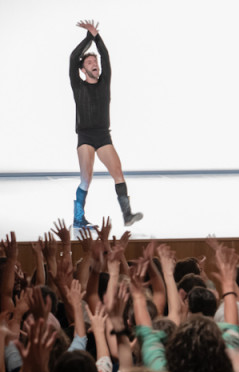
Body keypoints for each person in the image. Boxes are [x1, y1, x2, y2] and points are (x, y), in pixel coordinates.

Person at [69, 20, 143, 229]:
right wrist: (89, 37)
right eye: (90, 62)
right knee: (86, 178)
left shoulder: (104, 83)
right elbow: (74, 57)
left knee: (118, 172)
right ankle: (78, 219)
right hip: (85, 136)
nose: (95, 64)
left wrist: (97, 38)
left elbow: (106, 57)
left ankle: (127, 215)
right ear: (83, 70)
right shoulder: (78, 85)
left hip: (103, 136)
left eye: (96, 61)